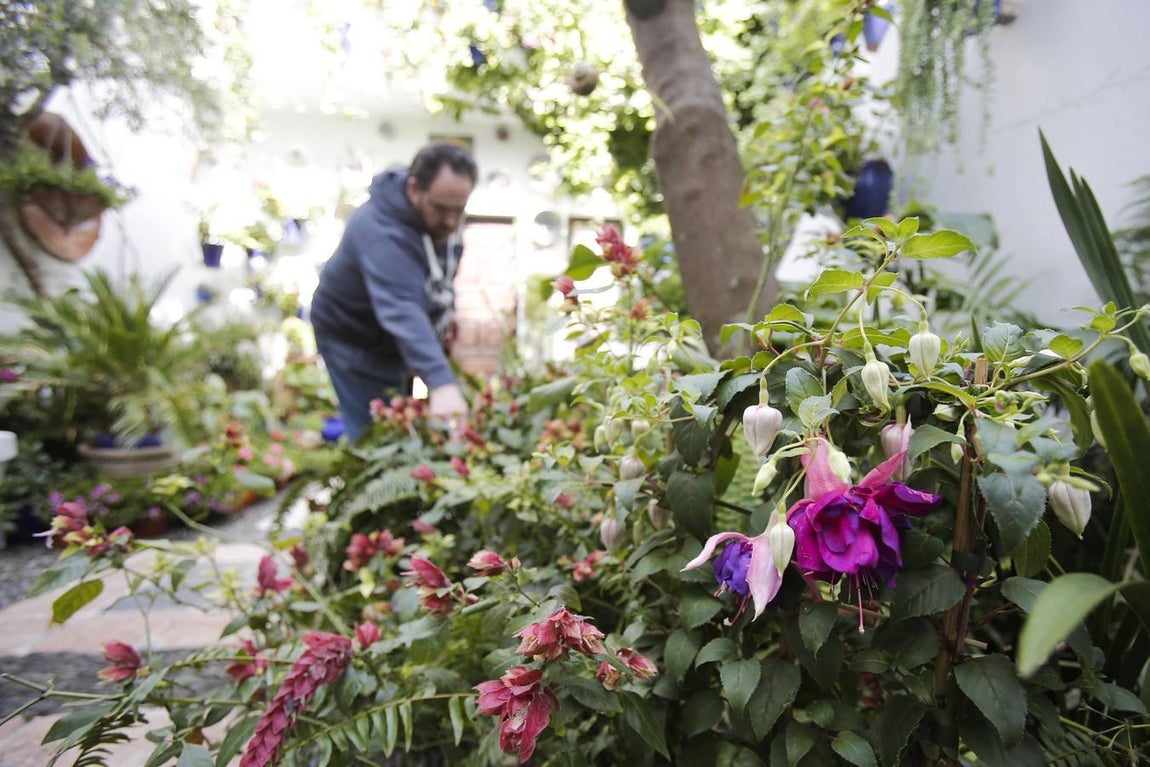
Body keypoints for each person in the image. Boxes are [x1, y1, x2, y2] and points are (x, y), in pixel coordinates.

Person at [310, 142, 476, 442]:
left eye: (459, 210)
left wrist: (444, 319)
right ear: (414, 189)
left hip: (392, 339)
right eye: (441, 209)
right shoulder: (379, 228)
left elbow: (439, 279)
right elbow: (401, 305)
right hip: (353, 338)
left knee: (403, 420)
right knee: (379, 434)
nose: (451, 221)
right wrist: (441, 383)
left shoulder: (439, 221)